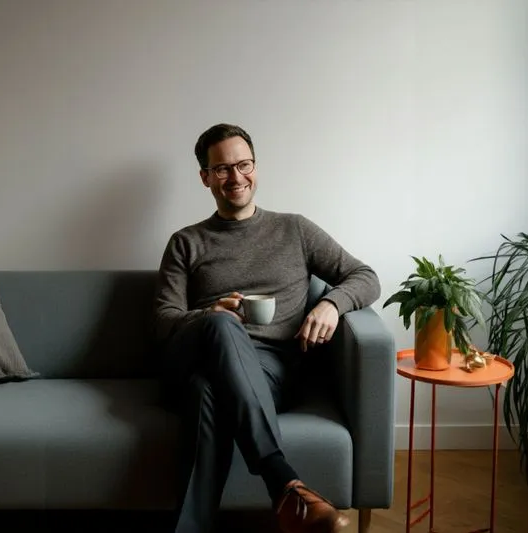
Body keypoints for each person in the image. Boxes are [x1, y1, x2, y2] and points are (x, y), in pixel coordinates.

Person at [154, 123, 381, 533]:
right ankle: (283, 483)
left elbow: (364, 276)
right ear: (205, 178)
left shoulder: (295, 230)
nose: (235, 177)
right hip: (197, 354)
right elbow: (164, 320)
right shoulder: (186, 242)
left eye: (243, 165)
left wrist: (332, 302)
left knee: (208, 392)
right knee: (222, 325)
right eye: (222, 169)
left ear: (256, 167)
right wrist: (210, 314)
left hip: (270, 371)